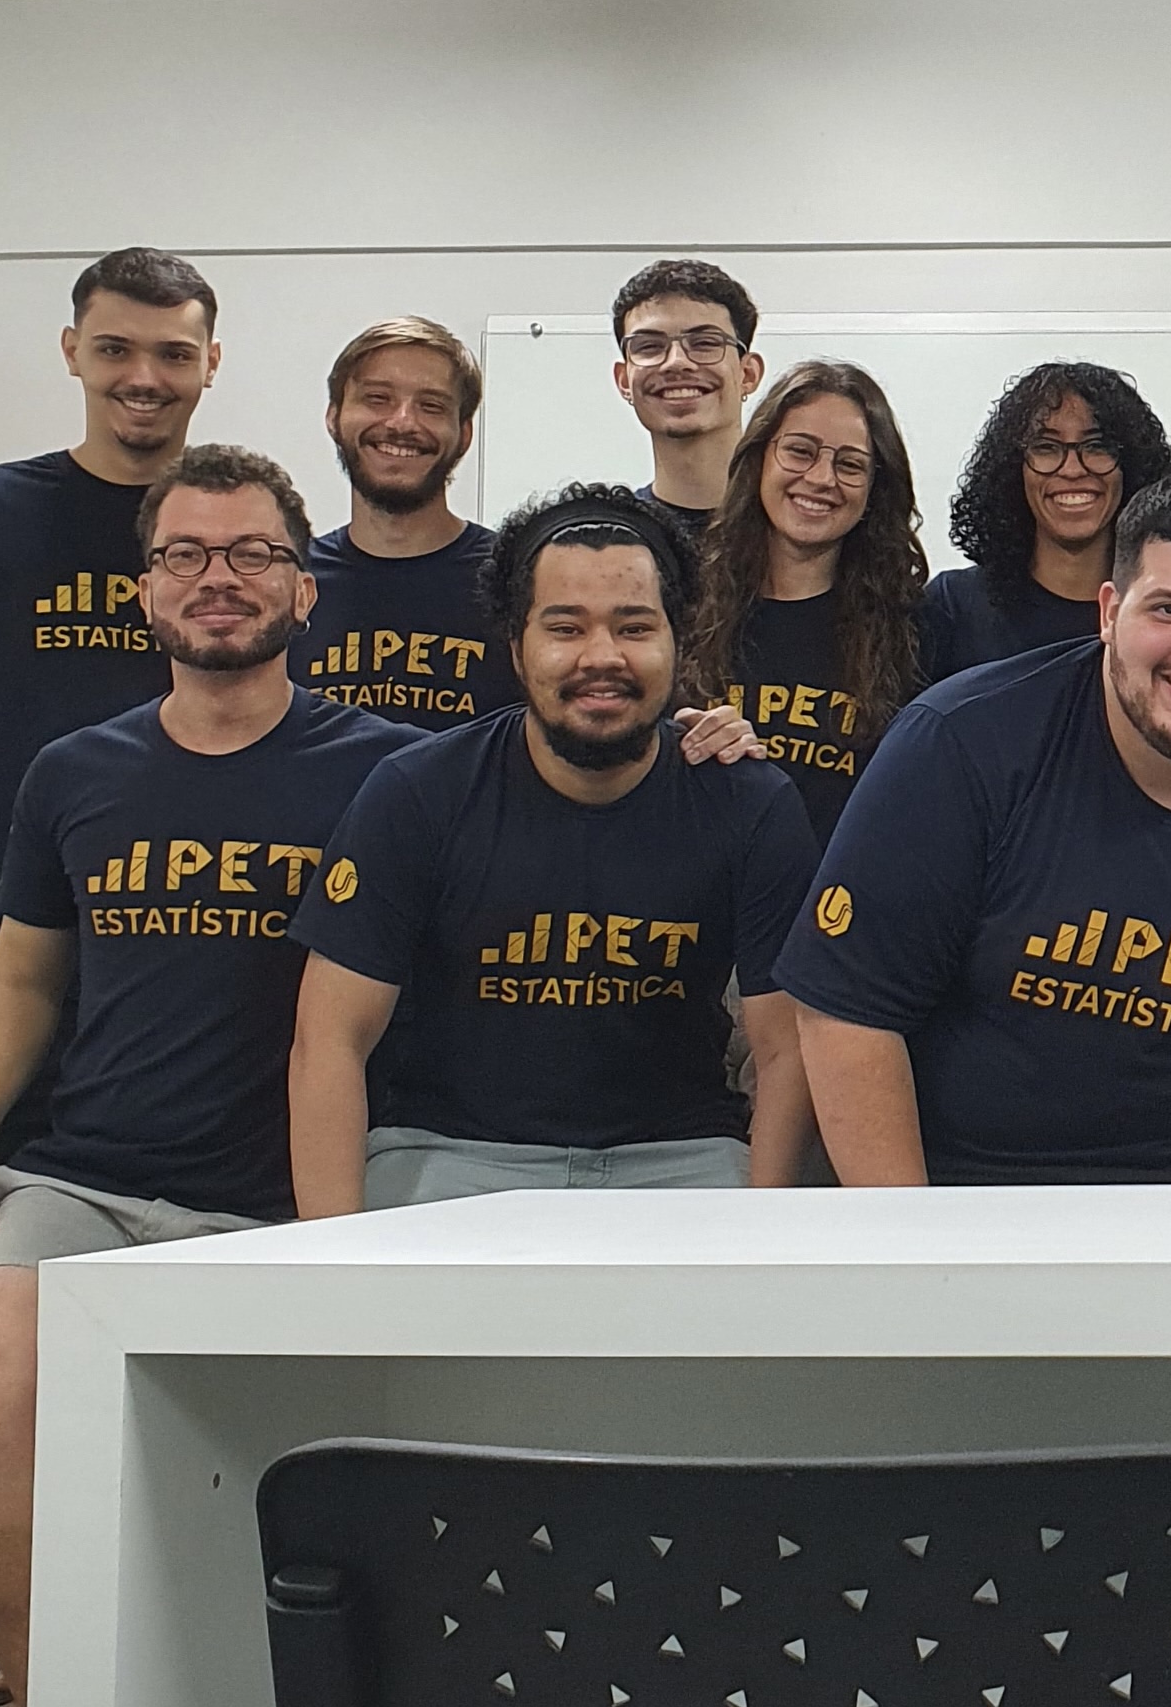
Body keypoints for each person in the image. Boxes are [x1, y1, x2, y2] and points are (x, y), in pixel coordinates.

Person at [0, 445, 414, 1707]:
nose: (218, 578)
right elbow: (23, 981)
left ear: (304, 588)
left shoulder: (397, 772)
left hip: (293, 1203)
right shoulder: (71, 772)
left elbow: (570, 776)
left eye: (253, 552)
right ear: (144, 589)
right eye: (185, 554)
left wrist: (706, 733)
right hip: (86, 1184)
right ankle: (69, 1706)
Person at [782, 472, 1171, 1184]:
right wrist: (916, 1241)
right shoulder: (959, 745)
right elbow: (846, 1016)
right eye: (1168, 609)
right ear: (1109, 613)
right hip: (962, 1191)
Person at [286, 485, 817, 1211]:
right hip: (448, 1157)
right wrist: (332, 1256)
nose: (602, 657)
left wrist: (763, 1230)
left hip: (682, 1162)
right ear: (516, 646)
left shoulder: (749, 802)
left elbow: (787, 1051)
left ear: (678, 641)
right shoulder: (417, 793)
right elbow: (328, 1041)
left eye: (634, 627)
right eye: (565, 627)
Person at [0, 249, 221, 1208]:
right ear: (71, 351)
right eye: (114, 348)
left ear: (211, 364)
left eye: (174, 354)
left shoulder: (233, 537)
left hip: (174, 954)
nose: (144, 377)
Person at [679, 359, 931, 849]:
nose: (821, 478)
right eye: (800, 451)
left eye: (850, 464)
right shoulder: (684, 603)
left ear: (875, 488)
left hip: (841, 894)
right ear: (759, 458)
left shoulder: (916, 628)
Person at [290, 317, 522, 730]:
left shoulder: (518, 579)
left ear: (464, 434)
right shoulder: (287, 583)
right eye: (377, 399)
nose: (402, 423)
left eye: (431, 406)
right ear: (334, 417)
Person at [922, 362, 1171, 681]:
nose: (1072, 469)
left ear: (1129, 465)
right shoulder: (952, 608)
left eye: (1096, 446)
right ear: (1014, 468)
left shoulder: (1167, 614)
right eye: (1047, 448)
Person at [612, 258, 767, 536]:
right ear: (624, 381)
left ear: (748, 374)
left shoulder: (798, 529)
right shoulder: (616, 540)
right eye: (649, 346)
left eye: (704, 343)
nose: (676, 362)